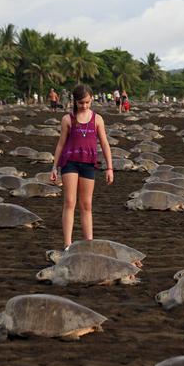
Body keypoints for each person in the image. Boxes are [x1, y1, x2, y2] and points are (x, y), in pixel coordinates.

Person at [50, 84, 114, 250]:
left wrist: (109, 168)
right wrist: (54, 167)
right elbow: (60, 144)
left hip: (88, 164)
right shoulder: (67, 119)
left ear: (91, 99)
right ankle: (67, 244)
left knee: (86, 205)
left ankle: (89, 244)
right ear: (75, 102)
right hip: (69, 162)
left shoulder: (97, 119)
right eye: (81, 103)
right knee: (69, 202)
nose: (84, 106)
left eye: (87, 102)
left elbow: (105, 144)